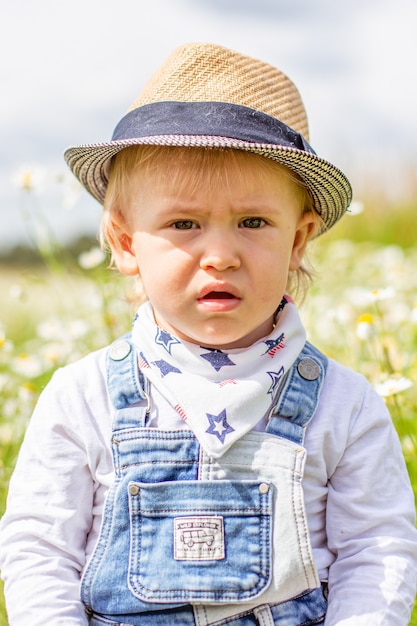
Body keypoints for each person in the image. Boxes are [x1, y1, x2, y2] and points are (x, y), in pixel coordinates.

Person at [0, 42, 416, 626]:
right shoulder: (83, 397)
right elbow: (40, 551)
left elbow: (377, 554)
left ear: (298, 241)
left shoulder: (343, 407)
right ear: (125, 244)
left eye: (253, 222)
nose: (219, 255)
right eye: (184, 224)